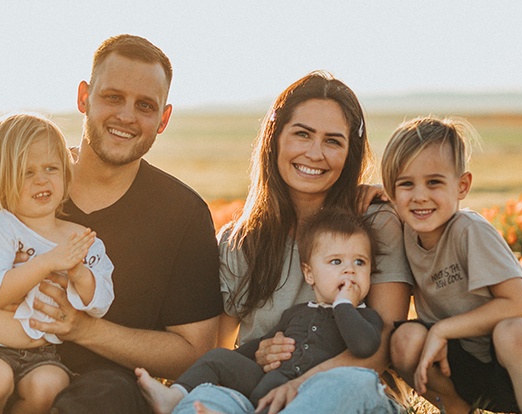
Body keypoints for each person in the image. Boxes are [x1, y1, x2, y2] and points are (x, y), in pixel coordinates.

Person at [0, 34, 223, 414]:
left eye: (145, 105)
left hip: (98, 389)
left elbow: (193, 352)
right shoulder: (11, 184)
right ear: (84, 96)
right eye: (113, 97)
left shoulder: (183, 214)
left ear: (163, 119)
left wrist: (84, 329)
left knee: (102, 399)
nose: (127, 116)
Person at [174, 71, 413, 414]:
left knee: (347, 386)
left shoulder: (375, 224)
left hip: (344, 391)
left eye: (333, 141)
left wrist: (296, 387)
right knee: (205, 400)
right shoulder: (237, 241)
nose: (315, 153)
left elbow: (380, 349)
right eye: (302, 134)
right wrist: (256, 354)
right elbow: (219, 349)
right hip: (260, 390)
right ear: (276, 139)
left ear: (350, 153)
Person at [136, 210, 384, 412]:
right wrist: (243, 360)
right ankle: (175, 396)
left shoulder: (366, 317)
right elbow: (260, 345)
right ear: (309, 273)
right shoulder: (296, 313)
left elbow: (363, 346)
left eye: (359, 262)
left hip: (311, 396)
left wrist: (344, 305)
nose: (349, 270)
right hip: (266, 383)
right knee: (218, 358)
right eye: (336, 262)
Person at [381, 116, 522, 413]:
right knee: (404, 339)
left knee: (513, 331)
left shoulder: (469, 230)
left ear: (462, 186)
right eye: (406, 184)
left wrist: (442, 329)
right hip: (469, 364)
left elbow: (519, 305)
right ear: (392, 192)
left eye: (434, 182)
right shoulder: (403, 230)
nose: (420, 196)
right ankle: (458, 410)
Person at [0, 112, 115, 413]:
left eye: (51, 168)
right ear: (0, 181)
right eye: (26, 172)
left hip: (41, 355)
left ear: (66, 174)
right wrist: (49, 262)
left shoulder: (79, 237)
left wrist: (79, 273)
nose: (41, 179)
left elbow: (100, 302)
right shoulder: (2, 228)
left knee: (49, 387)